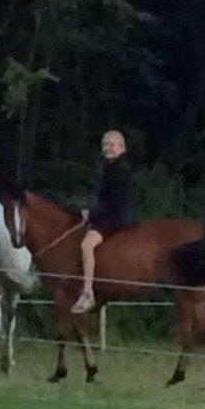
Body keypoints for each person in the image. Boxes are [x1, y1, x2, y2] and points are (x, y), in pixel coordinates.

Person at [70, 130, 132, 313]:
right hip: (108, 215)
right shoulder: (111, 168)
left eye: (111, 144)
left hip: (114, 218)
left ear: (121, 147)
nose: (107, 148)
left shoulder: (119, 170)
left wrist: (92, 214)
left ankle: (88, 292)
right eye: (105, 145)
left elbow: (114, 201)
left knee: (87, 245)